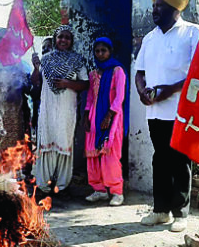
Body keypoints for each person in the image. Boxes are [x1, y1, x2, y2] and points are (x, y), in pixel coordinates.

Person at [135, 0, 199, 233]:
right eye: (154, 6)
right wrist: (143, 92)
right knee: (160, 158)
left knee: (180, 159)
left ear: (175, 9)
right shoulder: (150, 39)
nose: (154, 10)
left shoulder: (193, 33)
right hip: (155, 111)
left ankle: (180, 213)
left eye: (160, 6)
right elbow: (140, 72)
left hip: (181, 110)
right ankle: (161, 211)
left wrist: (169, 90)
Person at [32, 25, 89, 195]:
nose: (63, 40)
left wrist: (67, 84)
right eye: (60, 37)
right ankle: (43, 184)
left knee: (64, 141)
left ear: (71, 41)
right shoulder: (46, 59)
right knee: (46, 141)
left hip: (66, 109)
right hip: (48, 109)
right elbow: (36, 82)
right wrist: (36, 67)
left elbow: (85, 83)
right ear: (55, 39)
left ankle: (62, 185)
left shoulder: (77, 60)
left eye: (67, 37)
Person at [84, 38, 127, 206]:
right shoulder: (93, 73)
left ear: (110, 52)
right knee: (93, 153)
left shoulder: (117, 71)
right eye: (97, 51)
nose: (100, 54)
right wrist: (87, 115)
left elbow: (119, 97)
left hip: (113, 115)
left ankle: (117, 191)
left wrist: (108, 116)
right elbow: (89, 97)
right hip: (94, 115)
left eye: (104, 50)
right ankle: (99, 190)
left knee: (110, 153)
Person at [0, 28, 32, 152]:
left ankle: (18, 169)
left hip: (13, 110)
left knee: (15, 142)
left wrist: (14, 88)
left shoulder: (18, 61)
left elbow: (27, 85)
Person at [30, 37, 53, 134]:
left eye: (49, 46)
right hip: (41, 115)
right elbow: (34, 93)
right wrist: (36, 69)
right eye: (43, 47)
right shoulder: (40, 70)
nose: (45, 49)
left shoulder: (62, 69)